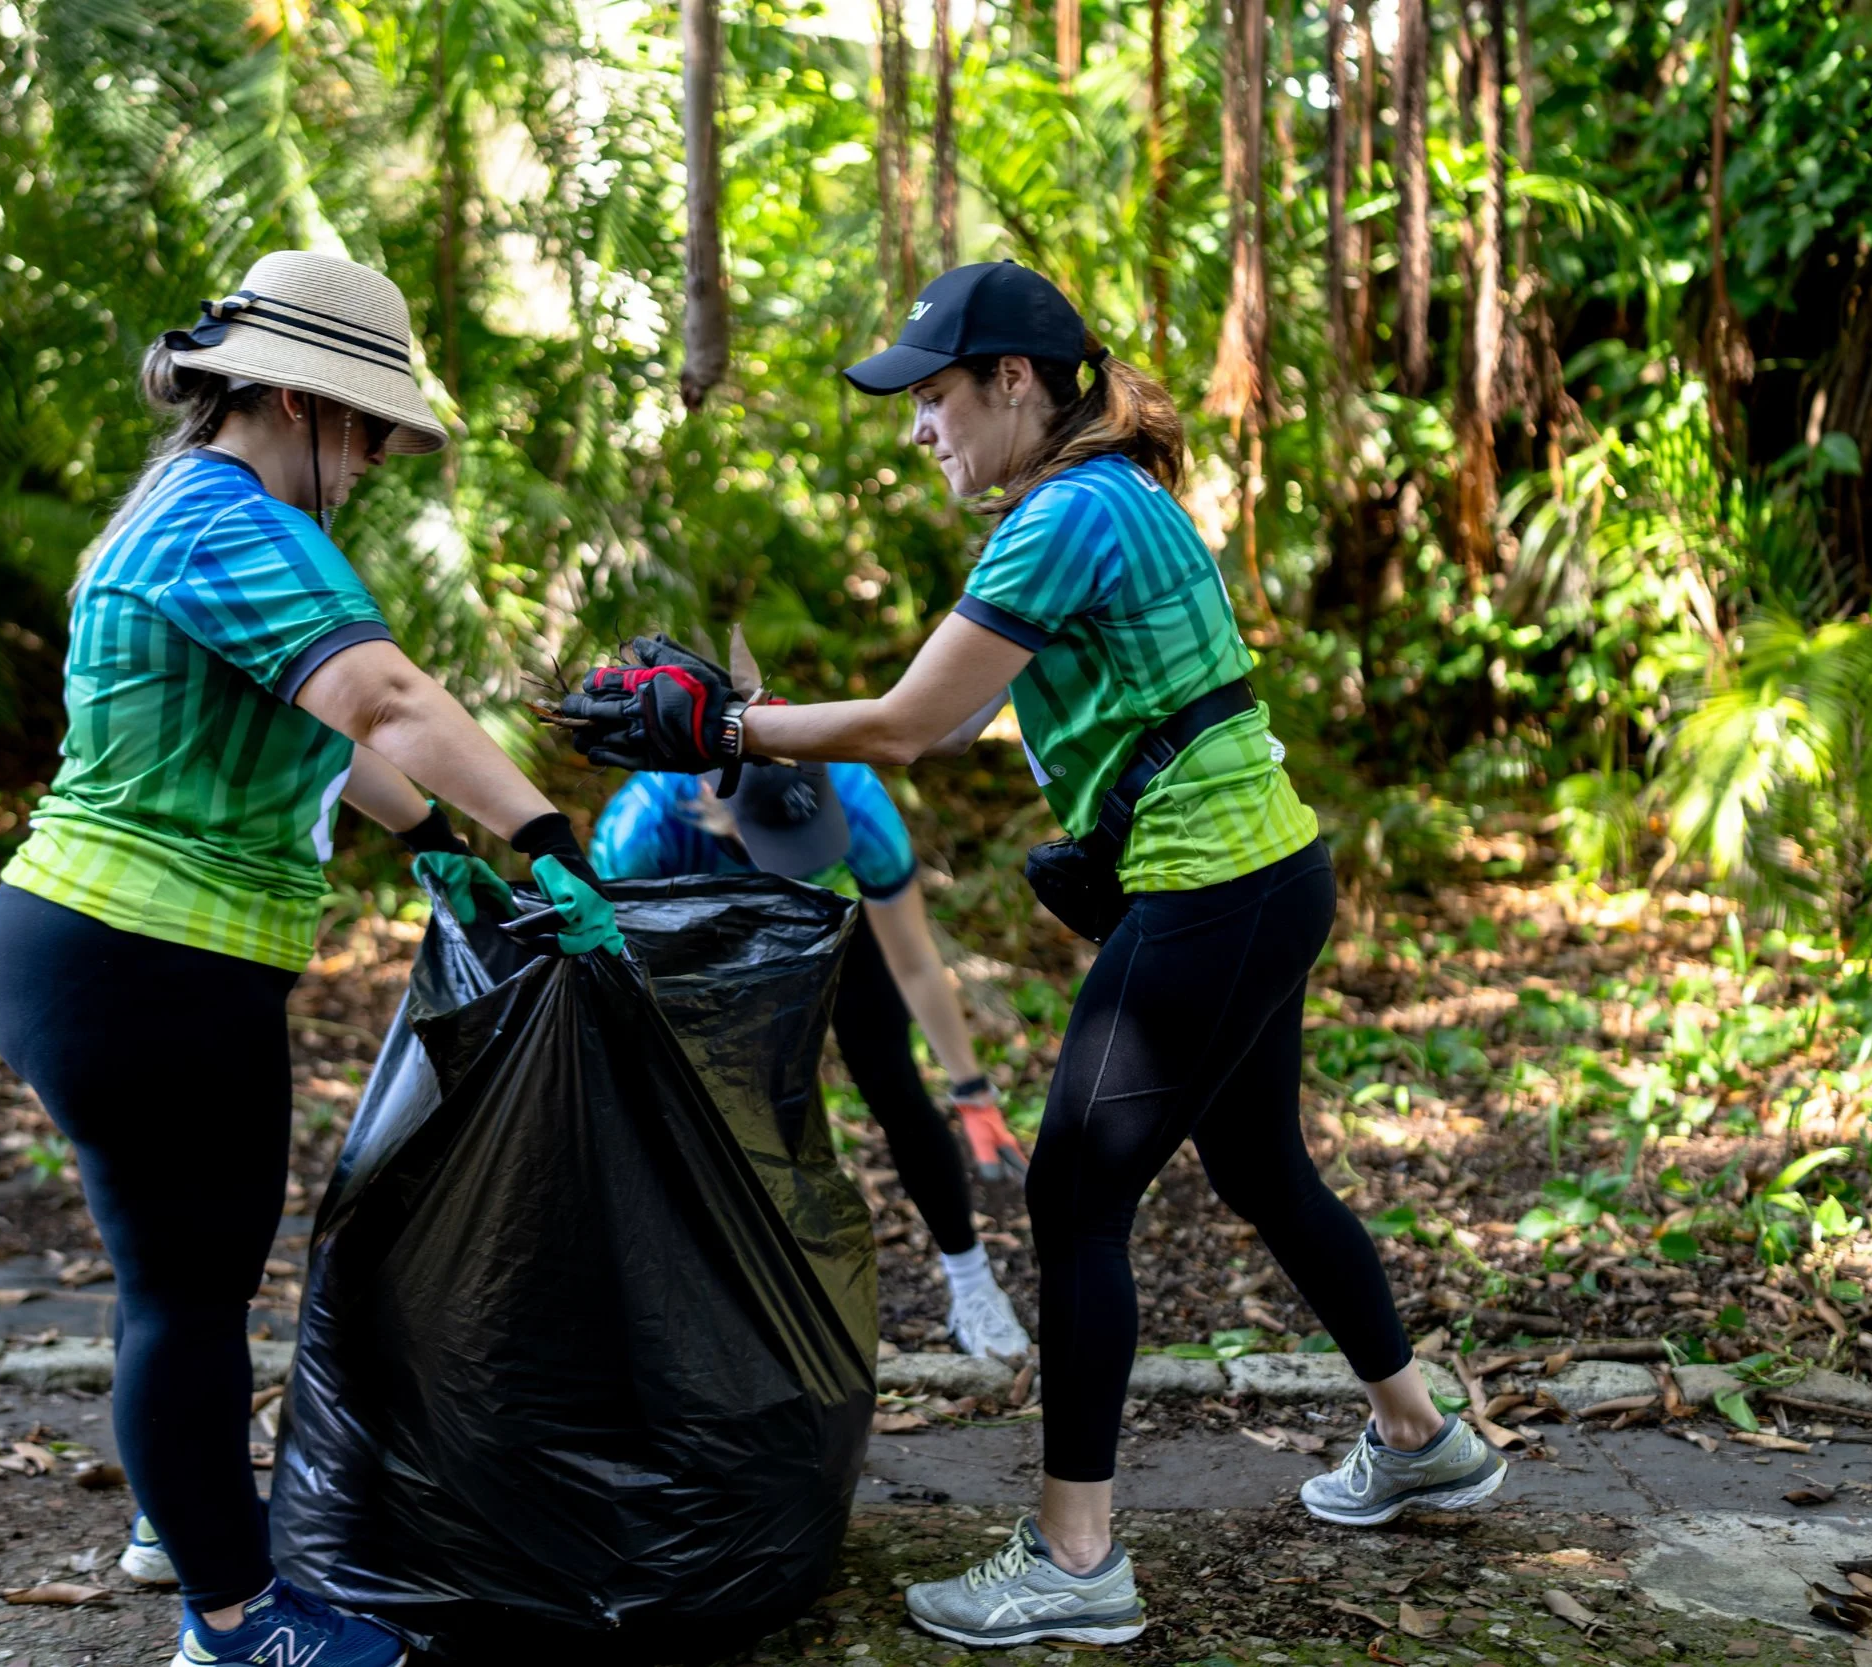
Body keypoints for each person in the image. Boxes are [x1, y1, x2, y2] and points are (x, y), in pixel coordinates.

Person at [556, 260, 1505, 1650]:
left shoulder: (1067, 510)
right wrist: (745, 723)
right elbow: (956, 720)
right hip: (1261, 868)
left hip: (1212, 883)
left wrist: (726, 726)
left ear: (1014, 382)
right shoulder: (1098, 497)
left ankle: (1075, 1555)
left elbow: (903, 724)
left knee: (1073, 1193)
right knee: (1258, 1167)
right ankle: (1422, 1433)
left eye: (935, 397)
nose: (919, 429)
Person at [0, 251, 620, 1667]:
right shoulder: (233, 522)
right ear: (293, 398)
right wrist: (538, 828)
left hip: (98, 951)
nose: (383, 456)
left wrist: (430, 838)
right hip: (147, 960)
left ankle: (183, 1515)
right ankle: (235, 1618)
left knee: (172, 1277)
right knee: (194, 1292)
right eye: (372, 428)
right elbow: (383, 694)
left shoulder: (191, 506)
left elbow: (323, 728)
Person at [590, 748, 1031, 1360]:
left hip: (828, 928)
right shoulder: (641, 831)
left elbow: (913, 960)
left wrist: (972, 1091)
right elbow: (616, 984)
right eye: (776, 839)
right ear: (715, 807)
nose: (794, 856)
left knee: (895, 1086)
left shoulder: (858, 800)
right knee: (735, 1116)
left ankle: (973, 1287)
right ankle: (742, 1305)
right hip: (700, 942)